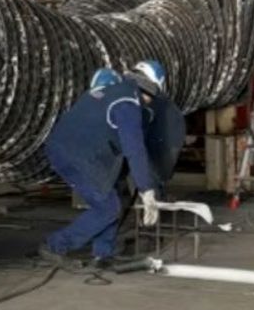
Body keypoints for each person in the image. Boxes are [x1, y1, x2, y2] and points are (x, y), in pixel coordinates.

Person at [40, 61, 171, 270]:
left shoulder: (113, 91)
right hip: (75, 155)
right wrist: (147, 190)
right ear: (152, 88)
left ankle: (103, 254)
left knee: (110, 197)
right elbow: (134, 150)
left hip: (67, 149)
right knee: (108, 207)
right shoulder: (128, 103)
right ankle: (54, 245)